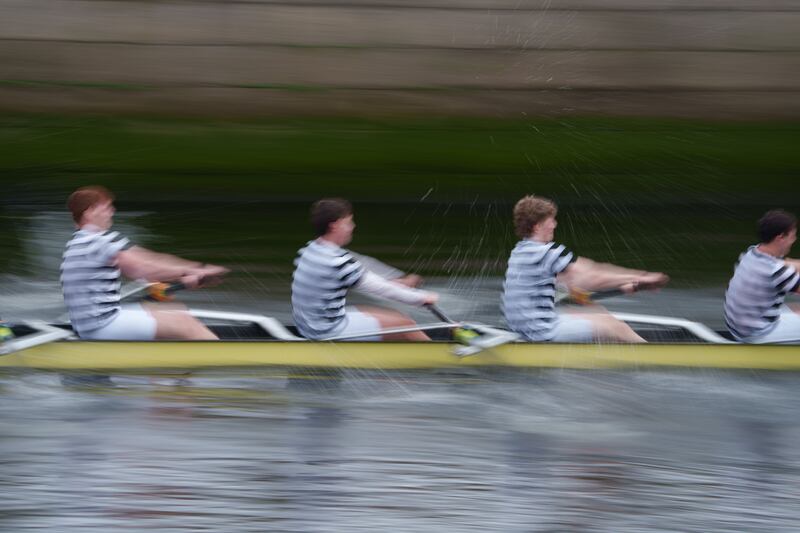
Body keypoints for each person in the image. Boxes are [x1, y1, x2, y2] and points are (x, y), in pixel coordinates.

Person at [61, 186, 228, 341]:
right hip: (103, 325)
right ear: (90, 212)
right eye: (107, 207)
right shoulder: (99, 240)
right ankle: (226, 360)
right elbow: (143, 267)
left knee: (168, 307)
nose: (112, 211)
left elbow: (148, 260)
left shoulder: (76, 243)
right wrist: (196, 270)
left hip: (88, 326)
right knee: (182, 320)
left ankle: (166, 369)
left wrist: (184, 275)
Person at [502, 195, 668, 343]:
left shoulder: (519, 251)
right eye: (550, 220)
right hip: (541, 333)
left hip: (521, 330)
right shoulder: (547, 252)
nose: (555, 224)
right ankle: (660, 357)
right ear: (537, 226)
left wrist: (627, 286)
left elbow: (567, 286)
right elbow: (591, 276)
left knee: (592, 313)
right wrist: (641, 277)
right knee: (614, 326)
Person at [292, 198, 438, 341]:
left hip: (308, 326)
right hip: (325, 331)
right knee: (405, 324)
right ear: (334, 226)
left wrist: (397, 282)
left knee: (371, 312)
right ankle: (438, 354)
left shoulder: (311, 250)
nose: (353, 226)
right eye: (348, 222)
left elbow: (361, 268)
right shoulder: (337, 262)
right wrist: (421, 298)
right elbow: (381, 289)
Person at [724, 209, 800, 343]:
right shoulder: (777, 271)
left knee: (797, 309)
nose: (794, 239)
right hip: (756, 334)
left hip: (739, 328)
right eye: (793, 236)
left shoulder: (752, 253)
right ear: (780, 237)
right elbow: (783, 269)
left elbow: (787, 264)